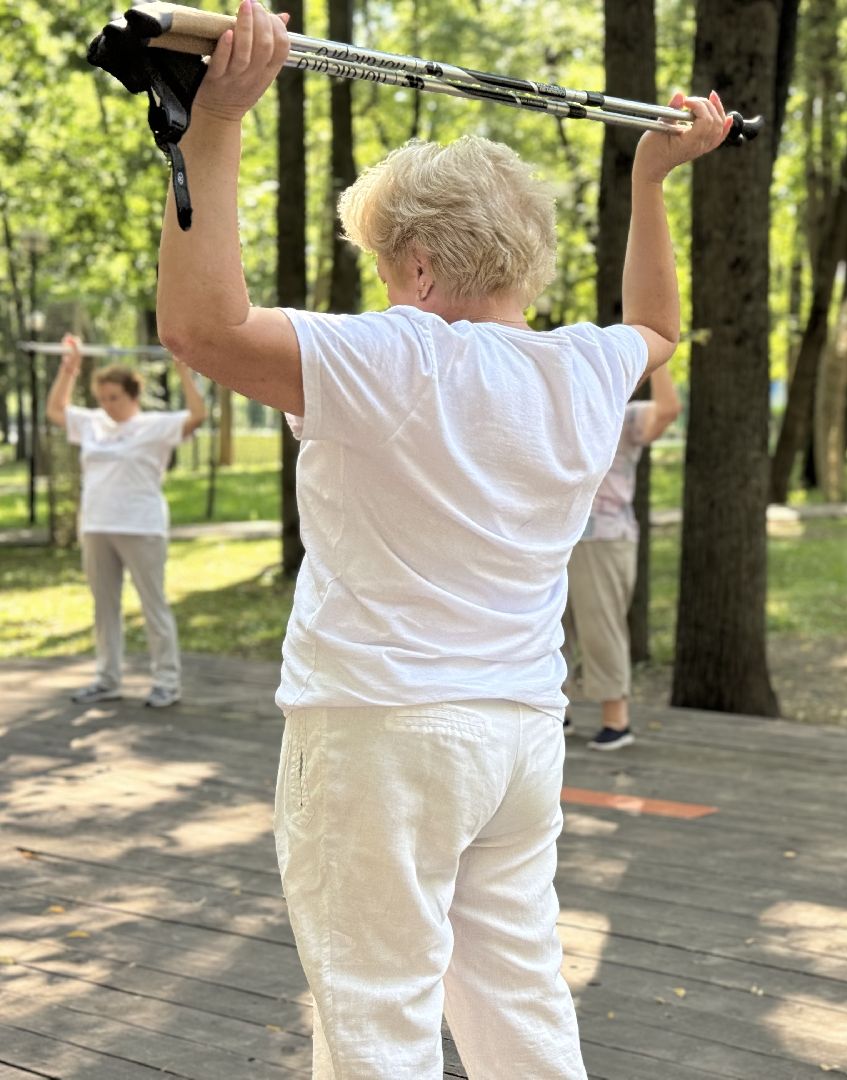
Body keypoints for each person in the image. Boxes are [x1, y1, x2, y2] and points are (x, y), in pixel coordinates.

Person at [151, 4, 730, 1076]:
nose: (383, 285)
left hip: (382, 734)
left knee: (376, 1015)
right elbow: (658, 326)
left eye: (382, 263)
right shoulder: (582, 368)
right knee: (517, 1002)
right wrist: (655, 180)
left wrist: (213, 126)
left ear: (417, 267)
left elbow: (199, 328)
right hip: (516, 737)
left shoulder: (397, 358)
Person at [45, 333, 206, 708]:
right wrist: (69, 370)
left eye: (113, 397)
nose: (107, 405)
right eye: (102, 398)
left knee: (153, 605)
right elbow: (56, 411)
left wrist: (185, 372)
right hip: (97, 525)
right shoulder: (92, 424)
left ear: (132, 394)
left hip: (141, 526)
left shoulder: (157, 425)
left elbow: (198, 416)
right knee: (104, 606)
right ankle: (107, 679)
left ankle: (166, 681)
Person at [562, 364, 680, 751]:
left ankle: (616, 721)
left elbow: (668, 408)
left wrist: (658, 359)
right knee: (550, 627)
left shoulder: (623, 417)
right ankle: (555, 712)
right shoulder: (558, 413)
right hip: (556, 536)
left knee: (601, 624)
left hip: (605, 538)